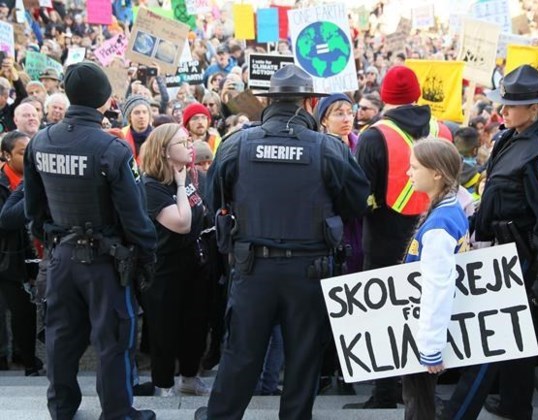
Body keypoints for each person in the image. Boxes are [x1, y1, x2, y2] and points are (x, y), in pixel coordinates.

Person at [195, 64, 370, 420]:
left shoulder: (237, 143)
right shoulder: (328, 148)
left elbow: (214, 200)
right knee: (303, 358)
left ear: (269, 100)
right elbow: (356, 203)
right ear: (309, 102)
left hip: (252, 268)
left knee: (241, 354)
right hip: (308, 271)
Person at [23, 61, 157, 420]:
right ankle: (118, 413)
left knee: (61, 338)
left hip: (61, 256)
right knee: (113, 340)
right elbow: (134, 215)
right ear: (104, 101)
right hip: (105, 263)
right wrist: (147, 255)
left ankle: (62, 408)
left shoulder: (40, 141)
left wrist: (54, 242)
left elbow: (33, 211)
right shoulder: (112, 149)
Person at [439, 65, 538, 420]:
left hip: (521, 254)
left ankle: (457, 412)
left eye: (511, 106)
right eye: (503, 104)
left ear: (535, 108)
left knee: (493, 338)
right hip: (497, 248)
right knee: (515, 335)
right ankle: (515, 405)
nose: (503, 111)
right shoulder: (510, 137)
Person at [346, 65, 432, 409]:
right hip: (430, 235)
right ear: (418, 93)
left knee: (383, 316)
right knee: (423, 314)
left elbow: (358, 193)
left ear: (384, 97)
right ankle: (419, 394)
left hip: (382, 238)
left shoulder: (373, 135)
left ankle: (383, 394)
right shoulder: (442, 129)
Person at [139, 123, 212, 397]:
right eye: (183, 142)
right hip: (164, 269)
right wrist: (181, 186)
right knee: (164, 329)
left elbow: (202, 212)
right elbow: (182, 222)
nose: (190, 145)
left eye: (189, 140)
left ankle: (190, 377)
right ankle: (163, 384)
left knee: (195, 324)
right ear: (165, 152)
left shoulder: (191, 176)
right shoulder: (151, 185)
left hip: (193, 263)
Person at [402, 138, 469, 420]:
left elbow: (437, 288)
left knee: (419, 403)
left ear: (437, 173)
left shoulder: (440, 225)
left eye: (414, 167)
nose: (408, 173)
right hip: (425, 326)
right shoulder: (451, 208)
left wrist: (429, 348)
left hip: (424, 331)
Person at [315, 92, 363, 395]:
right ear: (323, 119)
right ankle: (322, 372)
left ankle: (348, 372)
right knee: (322, 310)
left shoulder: (362, 144)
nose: (346, 118)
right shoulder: (318, 147)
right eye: (338, 113)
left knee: (351, 306)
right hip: (326, 237)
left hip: (357, 236)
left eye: (349, 111)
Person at [0, 131, 42, 377]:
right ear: (6, 155)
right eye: (22, 152)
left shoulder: (34, 179)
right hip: (7, 259)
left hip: (27, 256)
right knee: (17, 310)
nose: (28, 157)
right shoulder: (5, 184)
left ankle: (26, 358)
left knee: (25, 313)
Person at [121, 95, 153, 159]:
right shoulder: (121, 135)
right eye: (137, 113)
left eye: (145, 112)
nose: (141, 116)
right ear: (129, 116)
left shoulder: (157, 135)